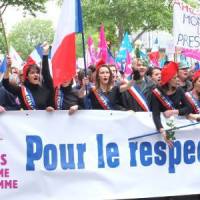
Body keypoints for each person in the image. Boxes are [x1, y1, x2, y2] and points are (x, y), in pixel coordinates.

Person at [151, 62, 192, 148]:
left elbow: (188, 108)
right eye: (175, 77)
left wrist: (174, 111)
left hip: (177, 126)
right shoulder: (156, 92)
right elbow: (156, 115)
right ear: (168, 80)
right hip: (163, 128)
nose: (178, 79)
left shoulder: (179, 90)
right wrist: (163, 132)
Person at [2, 45, 54, 111]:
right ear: (27, 76)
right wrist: (8, 67)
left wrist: (45, 55)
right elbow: (5, 83)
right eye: (32, 73)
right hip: (27, 120)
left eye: (37, 72)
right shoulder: (22, 90)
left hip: (45, 120)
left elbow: (46, 74)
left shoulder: (46, 88)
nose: (36, 75)